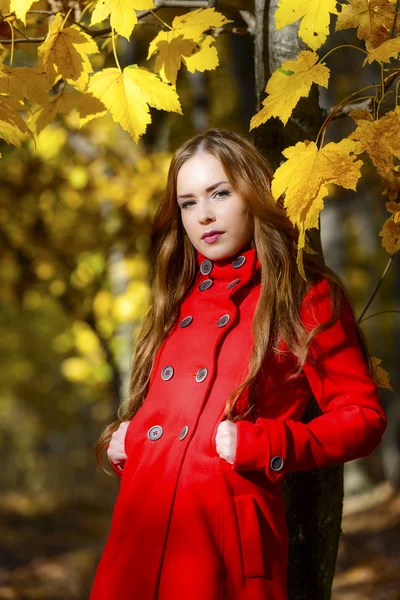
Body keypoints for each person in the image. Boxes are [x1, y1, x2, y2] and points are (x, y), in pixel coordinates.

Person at [89, 128, 387, 600]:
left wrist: (266, 441)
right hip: (141, 528)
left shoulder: (302, 294)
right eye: (188, 203)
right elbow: (173, 411)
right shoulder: (175, 295)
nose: (203, 215)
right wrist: (129, 438)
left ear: (253, 194)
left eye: (220, 193)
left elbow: (364, 419)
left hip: (227, 544)